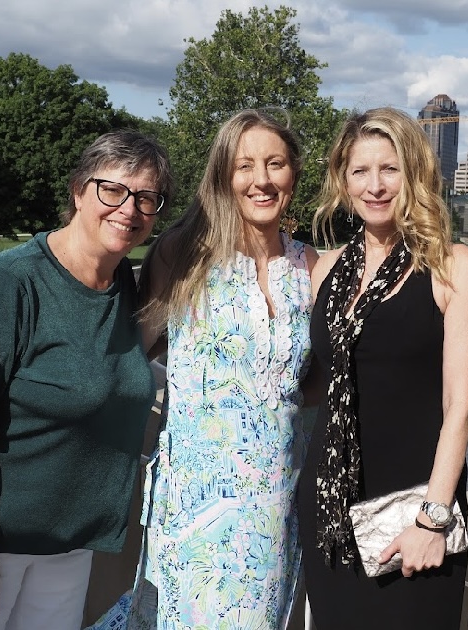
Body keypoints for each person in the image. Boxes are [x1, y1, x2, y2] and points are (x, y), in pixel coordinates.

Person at [0, 130, 172, 629]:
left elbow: (119, 368)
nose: (129, 210)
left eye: (147, 198)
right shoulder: (13, 283)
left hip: (66, 546)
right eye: (112, 190)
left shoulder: (125, 288)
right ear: (77, 191)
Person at [99, 109, 318, 629]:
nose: (261, 180)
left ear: (294, 175)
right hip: (195, 505)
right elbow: (133, 352)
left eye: (275, 164)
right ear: (223, 175)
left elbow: (310, 378)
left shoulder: (312, 266)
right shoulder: (184, 254)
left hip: (275, 504)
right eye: (245, 166)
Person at [296, 107, 468, 628]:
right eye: (360, 171)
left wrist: (434, 517)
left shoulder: (454, 267)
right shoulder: (326, 270)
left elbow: (462, 407)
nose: (375, 186)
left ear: (415, 175)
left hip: (413, 510)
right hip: (330, 505)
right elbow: (322, 383)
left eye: (391, 169)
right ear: (342, 179)